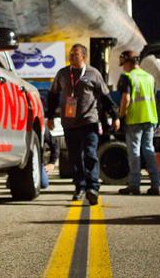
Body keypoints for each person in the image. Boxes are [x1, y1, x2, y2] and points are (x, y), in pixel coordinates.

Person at [47, 44, 119, 205]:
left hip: (89, 122)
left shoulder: (93, 74)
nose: (71, 57)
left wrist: (115, 116)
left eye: (75, 54)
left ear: (84, 57)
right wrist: (50, 116)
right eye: (71, 54)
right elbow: (53, 95)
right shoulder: (63, 73)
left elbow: (106, 98)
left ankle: (93, 188)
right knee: (75, 157)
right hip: (69, 123)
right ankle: (80, 187)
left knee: (90, 154)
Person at [116, 50, 160, 196]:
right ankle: (155, 185)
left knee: (134, 152)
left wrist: (121, 116)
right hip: (150, 118)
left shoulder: (127, 77)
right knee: (149, 150)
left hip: (134, 119)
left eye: (123, 64)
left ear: (128, 62)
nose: (123, 67)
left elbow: (126, 99)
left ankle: (134, 185)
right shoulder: (150, 77)